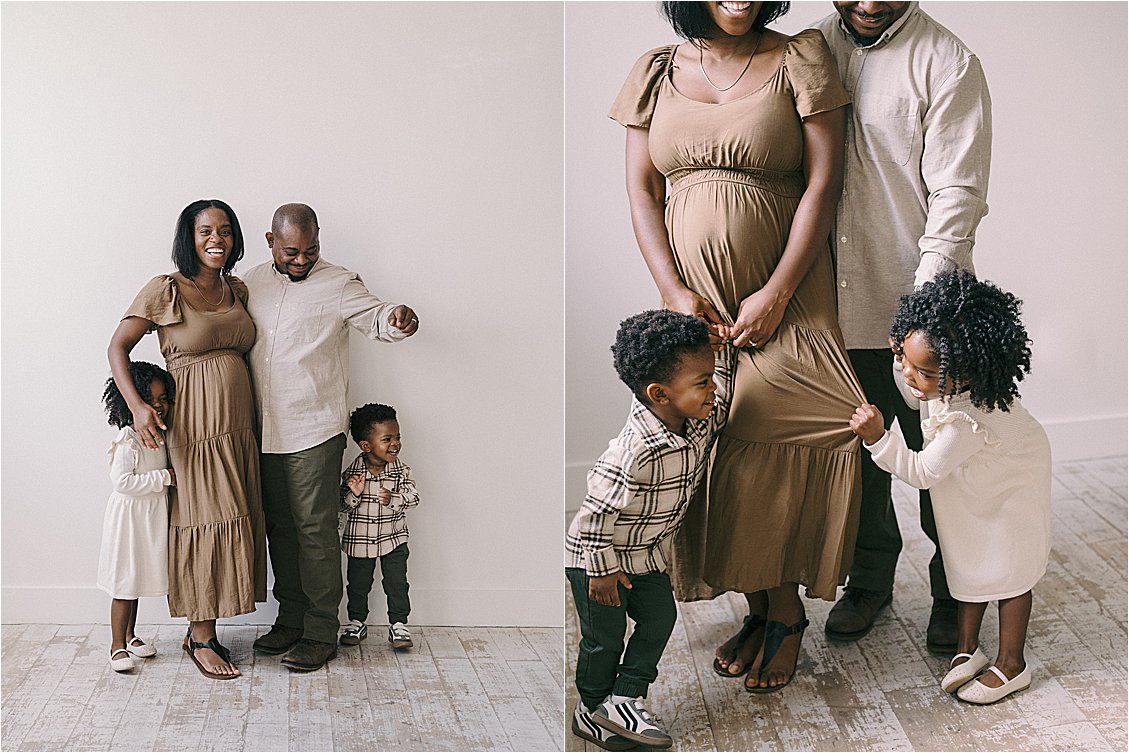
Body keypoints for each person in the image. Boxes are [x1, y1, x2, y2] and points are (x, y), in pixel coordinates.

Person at [610, 0, 865, 692]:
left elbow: (823, 180)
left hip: (786, 289)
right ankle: (760, 607)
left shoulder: (798, 57)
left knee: (775, 427)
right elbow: (640, 188)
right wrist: (669, 286)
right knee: (710, 440)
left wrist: (778, 291)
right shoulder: (654, 70)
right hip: (694, 301)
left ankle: (785, 610)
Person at [814, 1, 992, 653]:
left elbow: (956, 194)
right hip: (833, 305)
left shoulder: (947, 61)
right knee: (860, 456)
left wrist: (918, 316)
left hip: (926, 313)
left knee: (943, 465)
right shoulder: (809, 47)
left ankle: (954, 590)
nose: (866, 3)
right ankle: (869, 579)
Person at [848, 269, 1049, 705]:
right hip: (978, 481)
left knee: (1009, 571)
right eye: (904, 361)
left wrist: (878, 438)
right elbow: (913, 372)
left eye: (921, 372)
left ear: (965, 372)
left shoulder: (966, 421)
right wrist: (904, 358)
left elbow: (920, 472)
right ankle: (966, 648)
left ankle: (1013, 663)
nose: (908, 377)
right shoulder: (944, 384)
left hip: (1010, 487)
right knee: (968, 563)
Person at [244, 203, 419, 672]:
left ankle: (321, 631)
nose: (302, 260)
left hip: (313, 430)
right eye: (291, 251)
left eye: (311, 250)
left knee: (315, 534)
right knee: (279, 530)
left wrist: (398, 318)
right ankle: (291, 619)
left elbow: (378, 316)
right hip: (262, 430)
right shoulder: (249, 282)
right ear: (270, 241)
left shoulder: (340, 283)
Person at [108, 199, 267, 680]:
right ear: (189, 237)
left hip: (238, 425)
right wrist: (137, 407)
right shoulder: (167, 289)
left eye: (225, 230)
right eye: (205, 231)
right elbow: (117, 345)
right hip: (195, 426)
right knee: (203, 517)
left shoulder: (236, 289)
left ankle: (203, 628)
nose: (216, 239)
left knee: (234, 513)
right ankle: (202, 636)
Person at [567, 310, 734, 751]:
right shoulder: (633, 450)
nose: (712, 387)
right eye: (703, 382)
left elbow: (726, 396)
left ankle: (623, 698)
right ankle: (589, 711)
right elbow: (592, 517)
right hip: (596, 560)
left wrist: (723, 351)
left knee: (660, 617)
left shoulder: (698, 419)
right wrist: (601, 572)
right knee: (603, 639)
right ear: (660, 394)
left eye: (710, 377)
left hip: (645, 555)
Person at [97, 362, 177, 672]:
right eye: (151, 399)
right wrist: (164, 478)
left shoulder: (159, 433)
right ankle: (116, 645)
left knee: (137, 578)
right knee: (124, 584)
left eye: (163, 398)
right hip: (129, 520)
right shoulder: (129, 438)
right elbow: (123, 483)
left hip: (148, 519)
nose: (159, 405)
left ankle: (130, 636)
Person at [338, 403, 420, 650]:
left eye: (397, 437)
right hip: (360, 541)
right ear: (366, 446)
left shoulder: (401, 471)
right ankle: (356, 622)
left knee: (396, 583)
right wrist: (355, 493)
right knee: (358, 584)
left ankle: (399, 625)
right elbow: (343, 507)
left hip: (393, 539)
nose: (395, 444)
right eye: (387, 439)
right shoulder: (353, 473)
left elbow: (414, 497)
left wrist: (393, 499)